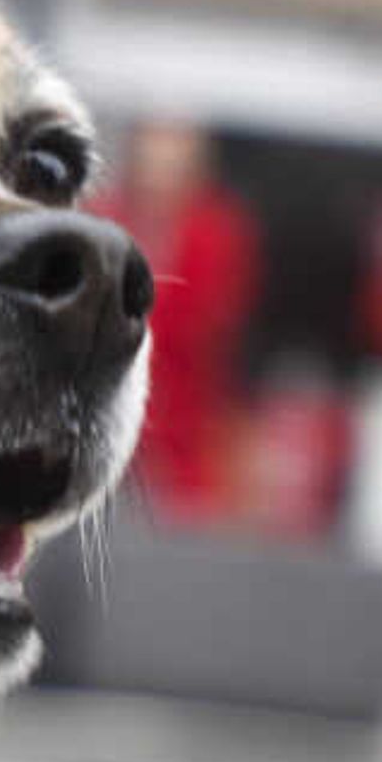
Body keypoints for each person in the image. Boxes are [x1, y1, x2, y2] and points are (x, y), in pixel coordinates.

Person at [92, 115, 259, 519]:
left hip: (185, 429)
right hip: (101, 417)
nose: (161, 161)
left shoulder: (217, 232)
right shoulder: (104, 218)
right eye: (155, 144)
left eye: (174, 147)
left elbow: (216, 330)